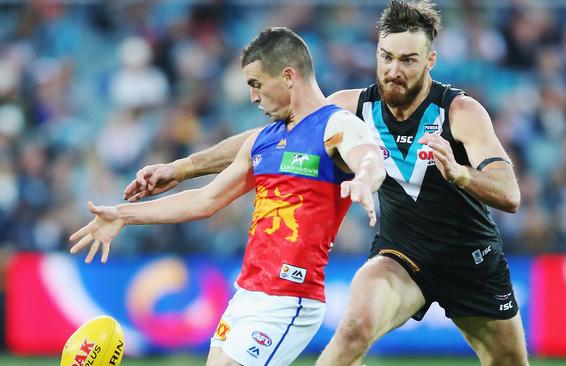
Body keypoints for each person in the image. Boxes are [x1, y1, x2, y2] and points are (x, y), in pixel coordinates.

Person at [123, 1, 528, 365]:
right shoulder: (349, 108)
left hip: (471, 260)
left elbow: (509, 194)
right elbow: (259, 142)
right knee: (353, 330)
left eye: (407, 60)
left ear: (430, 60)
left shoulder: (459, 111)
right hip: (403, 256)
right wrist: (179, 169)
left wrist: (460, 173)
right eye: (386, 57)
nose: (393, 70)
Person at [70, 27, 385, 366]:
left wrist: (365, 179)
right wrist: (123, 215)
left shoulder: (335, 125)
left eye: (256, 84)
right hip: (246, 294)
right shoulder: (262, 141)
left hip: (289, 298)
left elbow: (368, 155)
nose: (253, 97)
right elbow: (204, 200)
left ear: (288, 76)